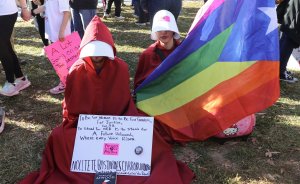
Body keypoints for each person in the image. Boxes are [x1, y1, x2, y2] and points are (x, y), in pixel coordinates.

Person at [20, 15, 194, 184]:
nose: (97, 57)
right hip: (85, 124)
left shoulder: (121, 68)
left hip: (118, 122)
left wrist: (123, 123)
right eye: (93, 52)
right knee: (60, 137)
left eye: (101, 52)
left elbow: (125, 102)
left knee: (148, 134)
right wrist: (81, 123)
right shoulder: (75, 71)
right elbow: (70, 106)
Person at [134, 10, 181, 142]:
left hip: (178, 98)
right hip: (156, 100)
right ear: (155, 32)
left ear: (173, 31)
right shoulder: (148, 54)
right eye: (160, 29)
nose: (164, 33)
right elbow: (139, 84)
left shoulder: (183, 52)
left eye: (167, 29)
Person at [34, 0, 71, 93]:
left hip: (59, 33)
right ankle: (66, 80)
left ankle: (65, 83)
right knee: (59, 59)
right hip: (53, 31)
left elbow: (67, 12)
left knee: (61, 59)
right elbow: (47, 6)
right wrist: (32, 12)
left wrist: (62, 31)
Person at [0, 0, 31, 96]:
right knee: (5, 45)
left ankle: (10, 82)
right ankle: (21, 78)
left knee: (2, 47)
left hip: (6, 13)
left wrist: (24, 8)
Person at [277, 0, 299, 83]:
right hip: (295, 6)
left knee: (287, 36)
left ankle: (280, 68)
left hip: (292, 5)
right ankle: (280, 71)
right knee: (290, 37)